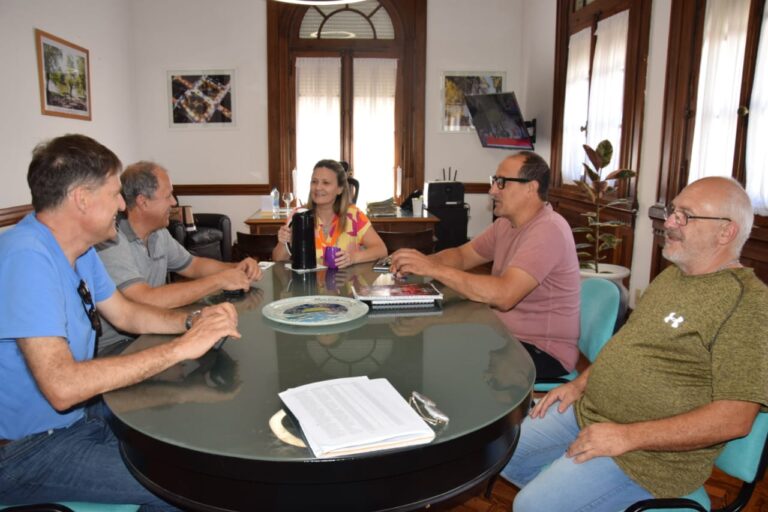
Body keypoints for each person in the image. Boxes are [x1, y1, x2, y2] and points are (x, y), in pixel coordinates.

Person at [0, 134, 240, 510]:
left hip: (78, 421)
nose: (121, 203)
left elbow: (126, 314)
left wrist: (194, 322)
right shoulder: (26, 257)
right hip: (28, 450)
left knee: (199, 441)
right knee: (193, 488)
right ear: (82, 198)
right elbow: (61, 386)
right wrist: (180, 349)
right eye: (114, 193)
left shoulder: (79, 250)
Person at [501, 176, 768, 512]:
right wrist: (580, 385)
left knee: (529, 506)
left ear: (726, 232)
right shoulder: (674, 275)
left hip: (650, 460)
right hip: (591, 415)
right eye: (673, 211)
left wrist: (625, 437)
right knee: (499, 453)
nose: (669, 222)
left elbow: (734, 420)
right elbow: (627, 346)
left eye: (685, 215)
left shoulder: (749, 305)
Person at [390, 151, 580, 378]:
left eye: (501, 183)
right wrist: (420, 262)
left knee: (453, 368)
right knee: (446, 351)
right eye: (493, 181)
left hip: (542, 351)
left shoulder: (548, 230)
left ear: (531, 187)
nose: (492, 190)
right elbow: (462, 255)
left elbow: (504, 295)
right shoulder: (506, 224)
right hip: (507, 334)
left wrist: (432, 269)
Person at [96, 161, 262, 355]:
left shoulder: (159, 233)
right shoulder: (112, 242)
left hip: (153, 331)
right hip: (120, 346)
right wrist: (219, 281)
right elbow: (143, 299)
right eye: (168, 196)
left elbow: (194, 265)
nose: (174, 202)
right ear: (143, 201)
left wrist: (237, 268)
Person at [272, 159, 387, 267]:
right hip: (308, 285)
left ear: (340, 189)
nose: (318, 187)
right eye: (314, 182)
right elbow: (277, 259)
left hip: (345, 285)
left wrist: (353, 258)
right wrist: (283, 242)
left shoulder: (354, 215)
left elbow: (381, 250)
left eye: (326, 183)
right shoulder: (298, 215)